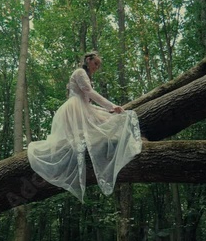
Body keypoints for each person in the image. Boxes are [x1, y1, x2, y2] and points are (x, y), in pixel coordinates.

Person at [27, 51, 142, 202]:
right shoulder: (80, 72)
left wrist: (109, 109)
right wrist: (112, 106)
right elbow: (89, 93)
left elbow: (88, 101)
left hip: (82, 108)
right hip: (75, 111)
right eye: (96, 63)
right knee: (103, 126)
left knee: (111, 121)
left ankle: (115, 150)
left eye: (99, 65)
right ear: (88, 60)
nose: (97, 67)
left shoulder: (86, 76)